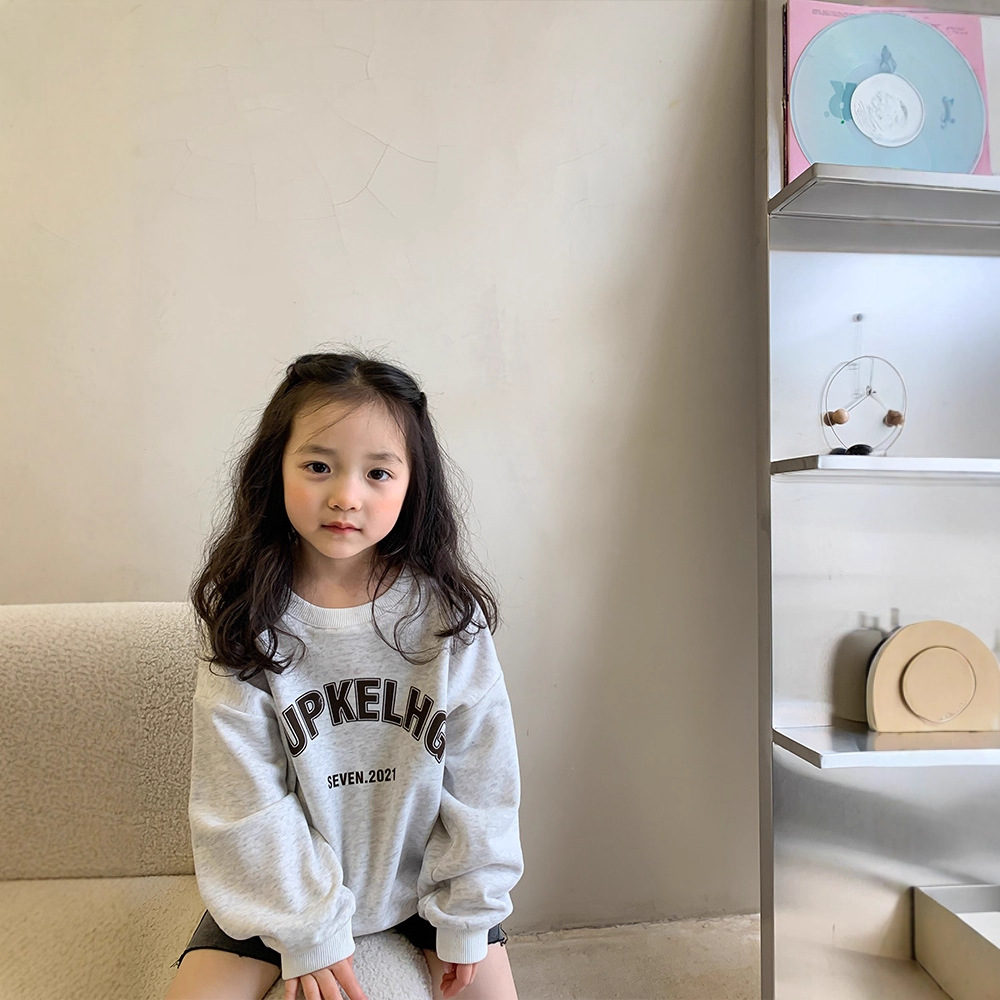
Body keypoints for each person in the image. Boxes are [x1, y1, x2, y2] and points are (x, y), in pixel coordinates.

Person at [164, 351, 523, 1000]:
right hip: (282, 887)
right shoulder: (248, 618)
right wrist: (307, 929)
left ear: (413, 484)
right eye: (318, 466)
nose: (345, 496)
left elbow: (482, 778)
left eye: (378, 472)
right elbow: (241, 800)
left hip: (424, 886)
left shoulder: (447, 617)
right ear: (275, 467)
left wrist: (470, 912)